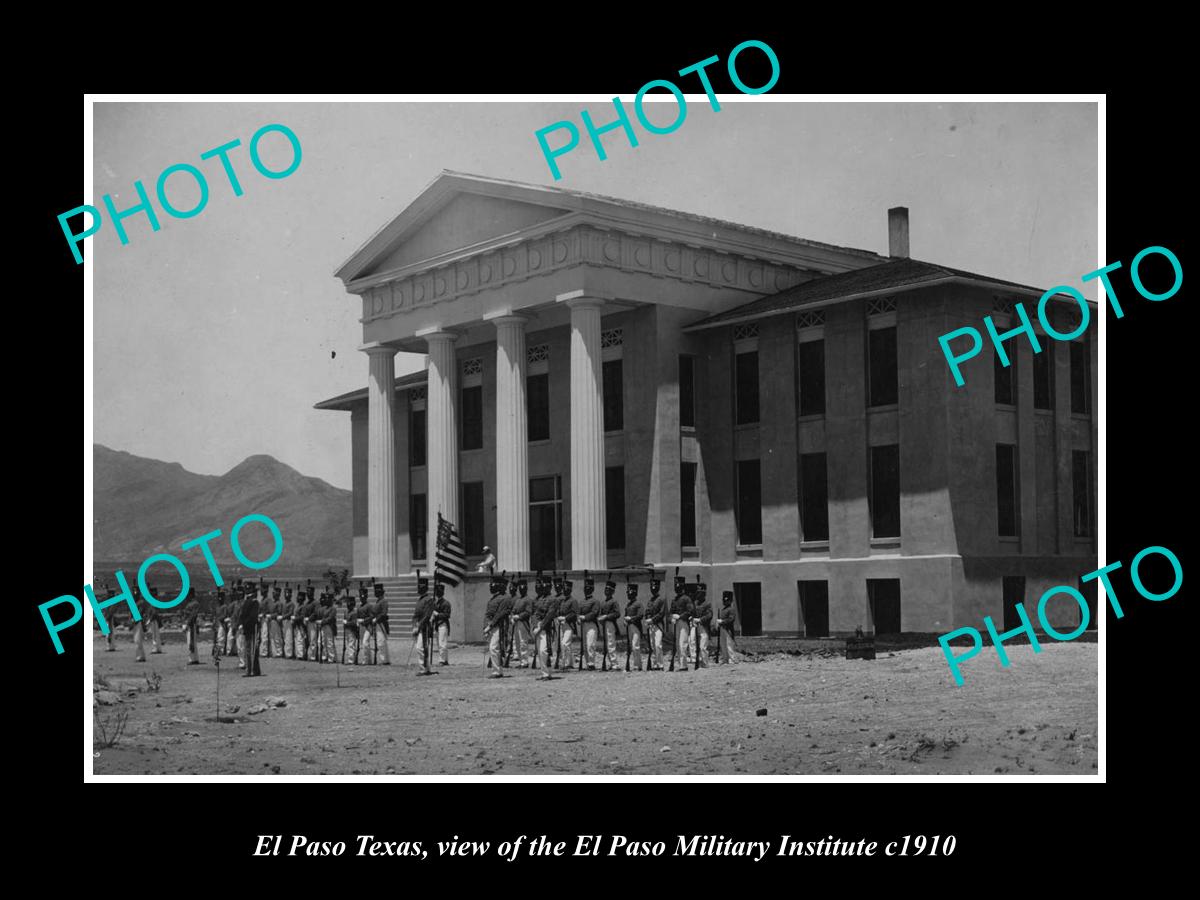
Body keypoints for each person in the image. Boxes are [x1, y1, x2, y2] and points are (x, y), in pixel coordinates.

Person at [532, 576, 560, 681]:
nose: (544, 588)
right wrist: (535, 625)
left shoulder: (553, 599)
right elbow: (533, 614)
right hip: (538, 627)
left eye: (546, 586)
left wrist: (540, 626)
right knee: (539, 651)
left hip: (548, 628)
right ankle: (545, 673)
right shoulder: (537, 599)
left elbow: (550, 614)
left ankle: (547, 672)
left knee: (545, 650)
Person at [483, 574, 508, 677]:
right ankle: (497, 669)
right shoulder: (492, 599)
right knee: (493, 648)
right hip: (491, 626)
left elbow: (499, 614)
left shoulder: (504, 599)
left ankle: (497, 671)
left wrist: (490, 625)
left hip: (499, 626)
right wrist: (485, 627)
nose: (491, 586)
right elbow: (487, 614)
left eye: (492, 584)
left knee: (494, 648)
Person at [412, 574, 435, 675]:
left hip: (425, 627)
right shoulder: (420, 600)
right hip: (418, 626)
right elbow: (415, 615)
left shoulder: (428, 600)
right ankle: (424, 667)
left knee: (422, 647)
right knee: (419, 647)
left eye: (420, 587)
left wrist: (419, 626)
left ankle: (424, 668)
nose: (419, 588)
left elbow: (427, 615)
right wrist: (414, 625)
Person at [670, 575, 693, 672]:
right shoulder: (674, 599)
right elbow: (671, 611)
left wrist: (680, 616)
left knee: (682, 644)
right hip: (676, 623)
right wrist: (672, 617)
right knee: (677, 645)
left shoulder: (686, 598)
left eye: (678, 585)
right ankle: (680, 664)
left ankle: (684, 665)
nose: (677, 587)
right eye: (676, 585)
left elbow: (690, 611)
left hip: (683, 622)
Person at [240, 585, 263, 677]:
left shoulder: (254, 602)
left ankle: (252, 670)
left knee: (252, 649)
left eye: (248, 589)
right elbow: (242, 615)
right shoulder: (247, 601)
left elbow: (252, 617)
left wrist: (245, 623)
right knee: (248, 649)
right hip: (247, 628)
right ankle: (251, 669)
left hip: (252, 628)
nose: (247, 590)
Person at [599, 579, 621, 671]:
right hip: (604, 624)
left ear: (612, 591)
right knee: (606, 644)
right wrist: (601, 618)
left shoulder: (614, 602)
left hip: (611, 624)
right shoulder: (603, 602)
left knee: (611, 643)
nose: (606, 591)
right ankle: (610, 663)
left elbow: (617, 613)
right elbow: (601, 613)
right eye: (605, 589)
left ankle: (614, 664)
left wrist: (606, 617)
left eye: (608, 590)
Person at [510, 578, 533, 667]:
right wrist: (512, 616)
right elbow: (514, 609)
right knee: (517, 642)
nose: (521, 589)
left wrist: (519, 616)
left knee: (523, 642)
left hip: (523, 623)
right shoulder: (518, 600)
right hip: (516, 622)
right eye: (520, 588)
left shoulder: (528, 599)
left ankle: (525, 661)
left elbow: (528, 612)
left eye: (523, 588)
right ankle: (521, 661)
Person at [579, 574, 599, 670]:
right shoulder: (582, 601)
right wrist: (578, 618)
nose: (586, 589)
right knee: (585, 645)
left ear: (592, 589)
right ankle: (588, 663)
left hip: (591, 625)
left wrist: (584, 617)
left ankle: (591, 663)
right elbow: (578, 611)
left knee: (591, 644)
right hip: (583, 625)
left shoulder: (595, 601)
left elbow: (594, 613)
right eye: (585, 588)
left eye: (588, 588)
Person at [623, 582, 644, 672]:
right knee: (631, 646)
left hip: (636, 626)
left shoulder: (638, 604)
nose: (628, 594)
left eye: (629, 592)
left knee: (636, 646)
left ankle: (638, 665)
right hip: (629, 627)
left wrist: (630, 618)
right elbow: (625, 615)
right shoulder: (628, 605)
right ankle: (634, 664)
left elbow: (640, 615)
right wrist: (625, 620)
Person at [645, 579, 665, 671]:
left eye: (655, 587)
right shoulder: (650, 600)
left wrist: (652, 620)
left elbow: (661, 613)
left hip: (658, 625)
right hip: (651, 625)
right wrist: (647, 619)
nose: (653, 589)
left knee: (658, 645)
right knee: (652, 646)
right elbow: (647, 611)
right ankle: (655, 664)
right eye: (651, 587)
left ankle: (660, 664)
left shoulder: (661, 599)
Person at [558, 579, 579, 669]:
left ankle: (567, 663)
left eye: (567, 589)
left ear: (570, 590)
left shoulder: (573, 600)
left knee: (565, 643)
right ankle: (568, 663)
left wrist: (565, 618)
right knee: (564, 644)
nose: (564, 590)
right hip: (561, 624)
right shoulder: (562, 601)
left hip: (569, 625)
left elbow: (574, 613)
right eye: (564, 588)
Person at [692, 582, 712, 669]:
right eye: (698, 592)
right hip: (695, 625)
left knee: (702, 647)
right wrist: (691, 618)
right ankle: (697, 661)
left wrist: (700, 619)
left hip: (704, 626)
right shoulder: (695, 603)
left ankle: (705, 663)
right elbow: (692, 612)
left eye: (700, 593)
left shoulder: (707, 604)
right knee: (693, 643)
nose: (698, 595)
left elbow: (709, 615)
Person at [372, 581, 391, 665]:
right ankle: (384, 659)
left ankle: (384, 660)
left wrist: (376, 619)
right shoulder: (378, 601)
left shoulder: (383, 601)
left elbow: (384, 613)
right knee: (380, 641)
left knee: (381, 641)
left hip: (381, 623)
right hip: (377, 623)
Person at [433, 582, 452, 666]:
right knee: (439, 643)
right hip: (437, 624)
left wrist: (437, 614)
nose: (438, 593)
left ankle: (442, 660)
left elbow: (447, 615)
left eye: (439, 591)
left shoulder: (446, 603)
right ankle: (445, 659)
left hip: (443, 624)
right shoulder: (436, 603)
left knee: (442, 643)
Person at [718, 591, 738, 664]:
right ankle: (725, 659)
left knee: (729, 645)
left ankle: (732, 659)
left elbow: (731, 619)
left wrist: (722, 621)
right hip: (722, 628)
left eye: (726, 600)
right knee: (723, 645)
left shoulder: (731, 609)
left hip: (728, 629)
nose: (725, 602)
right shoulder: (723, 609)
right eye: (724, 600)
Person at [319, 591, 338, 663]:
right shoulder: (324, 608)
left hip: (330, 626)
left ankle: (331, 658)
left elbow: (330, 618)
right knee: (324, 642)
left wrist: (323, 621)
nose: (326, 600)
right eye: (326, 598)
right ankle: (324, 656)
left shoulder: (333, 609)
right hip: (324, 626)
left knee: (330, 642)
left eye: (328, 598)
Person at [183, 588, 201, 665]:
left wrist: (187, 624)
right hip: (191, 623)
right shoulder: (194, 603)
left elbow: (192, 615)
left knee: (191, 641)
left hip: (191, 624)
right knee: (192, 641)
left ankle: (192, 659)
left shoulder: (193, 603)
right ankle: (195, 658)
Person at [343, 592, 360, 664]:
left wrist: (347, 623)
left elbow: (354, 623)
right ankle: (351, 658)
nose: (348, 604)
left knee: (351, 645)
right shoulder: (346, 612)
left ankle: (351, 659)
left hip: (352, 630)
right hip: (347, 630)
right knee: (349, 644)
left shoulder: (354, 613)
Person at [269, 584, 285, 658]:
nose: (273, 594)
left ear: (278, 594)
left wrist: (271, 616)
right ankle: (274, 652)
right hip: (272, 621)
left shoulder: (279, 603)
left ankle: (279, 652)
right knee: (272, 637)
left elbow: (279, 613)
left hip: (276, 621)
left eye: (274, 593)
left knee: (277, 637)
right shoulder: (273, 602)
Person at [280, 585, 296, 659]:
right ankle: (285, 652)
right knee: (284, 637)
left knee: (288, 638)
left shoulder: (291, 604)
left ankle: (289, 654)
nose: (286, 595)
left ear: (290, 594)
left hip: (288, 621)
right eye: (285, 593)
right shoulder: (283, 604)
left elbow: (290, 613)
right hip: (283, 622)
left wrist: (283, 617)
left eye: (288, 593)